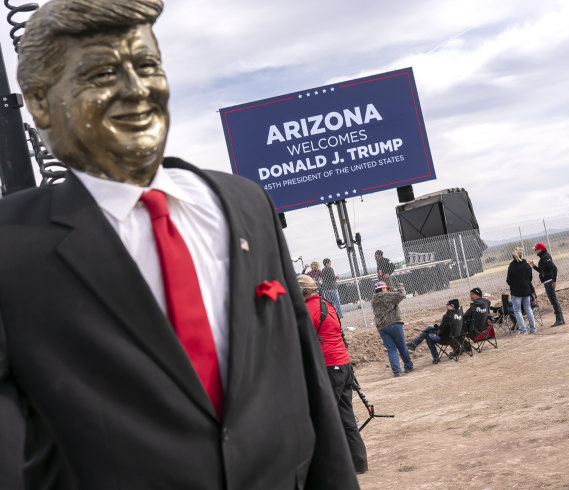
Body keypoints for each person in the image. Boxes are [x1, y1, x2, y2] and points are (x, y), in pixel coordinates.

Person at [0, 1, 359, 488]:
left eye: (148, 66)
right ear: (41, 101)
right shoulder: (12, 246)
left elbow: (305, 378)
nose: (137, 89)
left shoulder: (246, 203)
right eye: (104, 73)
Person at [298, 275, 368, 474]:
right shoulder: (327, 304)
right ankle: (359, 463)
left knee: (322, 416)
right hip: (343, 365)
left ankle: (328, 467)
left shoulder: (308, 310)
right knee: (346, 417)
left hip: (329, 367)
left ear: (304, 291)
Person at [371, 281, 413, 377]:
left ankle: (397, 371)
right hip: (393, 324)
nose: (387, 290)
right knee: (402, 346)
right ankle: (408, 366)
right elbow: (401, 294)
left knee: (391, 349)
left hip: (381, 327)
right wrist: (400, 285)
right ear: (382, 289)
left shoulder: (373, 299)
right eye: (386, 288)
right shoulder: (386, 296)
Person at [406, 299, 462, 364]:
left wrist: (437, 332)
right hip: (456, 335)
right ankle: (414, 344)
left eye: (448, 305)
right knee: (429, 327)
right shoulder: (459, 314)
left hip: (446, 338)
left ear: (452, 306)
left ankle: (435, 357)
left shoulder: (447, 316)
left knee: (428, 336)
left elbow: (441, 331)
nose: (446, 306)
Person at [529, 242, 565, 327]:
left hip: (549, 282)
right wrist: (533, 266)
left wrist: (554, 280)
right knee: (553, 300)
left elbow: (554, 268)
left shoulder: (545, 257)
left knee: (553, 300)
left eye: (536, 249)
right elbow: (542, 271)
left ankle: (559, 319)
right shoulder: (543, 257)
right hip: (547, 281)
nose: (535, 251)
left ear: (540, 249)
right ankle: (560, 319)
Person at [506, 247, 536, 335]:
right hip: (526, 290)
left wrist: (513, 285)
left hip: (516, 292)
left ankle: (523, 330)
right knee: (528, 308)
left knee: (517, 310)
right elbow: (530, 278)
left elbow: (508, 280)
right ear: (522, 255)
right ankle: (533, 329)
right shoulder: (527, 265)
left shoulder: (512, 266)